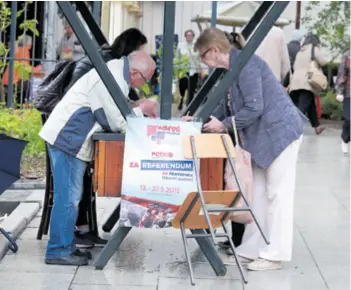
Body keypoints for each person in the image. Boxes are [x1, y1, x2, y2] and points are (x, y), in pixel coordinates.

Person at [183, 28, 307, 271]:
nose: (203, 61)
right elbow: (223, 106)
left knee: (277, 195)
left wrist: (225, 125)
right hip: (262, 139)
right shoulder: (230, 71)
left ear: (215, 51)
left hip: (279, 135)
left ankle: (275, 254)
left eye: (203, 56)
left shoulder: (247, 65)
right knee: (257, 195)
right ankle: (251, 250)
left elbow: (253, 108)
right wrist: (197, 121)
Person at [39, 50, 158, 266]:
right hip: (68, 138)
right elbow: (115, 121)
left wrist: (137, 108)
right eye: (144, 80)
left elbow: (117, 110)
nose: (141, 86)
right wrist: (141, 110)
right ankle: (57, 251)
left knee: (70, 198)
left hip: (71, 138)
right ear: (135, 72)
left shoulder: (115, 73)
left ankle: (66, 246)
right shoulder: (111, 77)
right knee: (68, 199)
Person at [69, 28, 148, 249]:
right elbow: (115, 115)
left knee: (82, 185)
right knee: (76, 190)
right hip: (74, 132)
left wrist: (135, 108)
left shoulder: (110, 63)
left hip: (78, 130)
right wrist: (140, 109)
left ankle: (82, 231)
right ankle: (68, 240)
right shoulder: (109, 68)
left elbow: (120, 106)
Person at [289, 33, 327, 135]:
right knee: (302, 108)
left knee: (310, 105)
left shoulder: (300, 51)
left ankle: (317, 127)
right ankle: (292, 129)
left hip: (296, 82)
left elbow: (295, 66)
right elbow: (323, 62)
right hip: (307, 82)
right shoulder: (314, 49)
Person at [177, 29, 207, 110]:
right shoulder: (180, 45)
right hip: (183, 71)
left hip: (194, 71)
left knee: (191, 90)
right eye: (187, 35)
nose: (189, 37)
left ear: (193, 36)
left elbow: (199, 58)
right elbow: (177, 58)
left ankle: (189, 107)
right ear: (185, 36)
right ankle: (181, 101)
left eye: (191, 35)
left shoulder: (196, 46)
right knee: (182, 88)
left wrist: (201, 68)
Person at [336, 50, 350, 154]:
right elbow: (341, 75)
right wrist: (339, 91)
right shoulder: (347, 56)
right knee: (349, 120)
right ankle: (345, 139)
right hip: (349, 93)